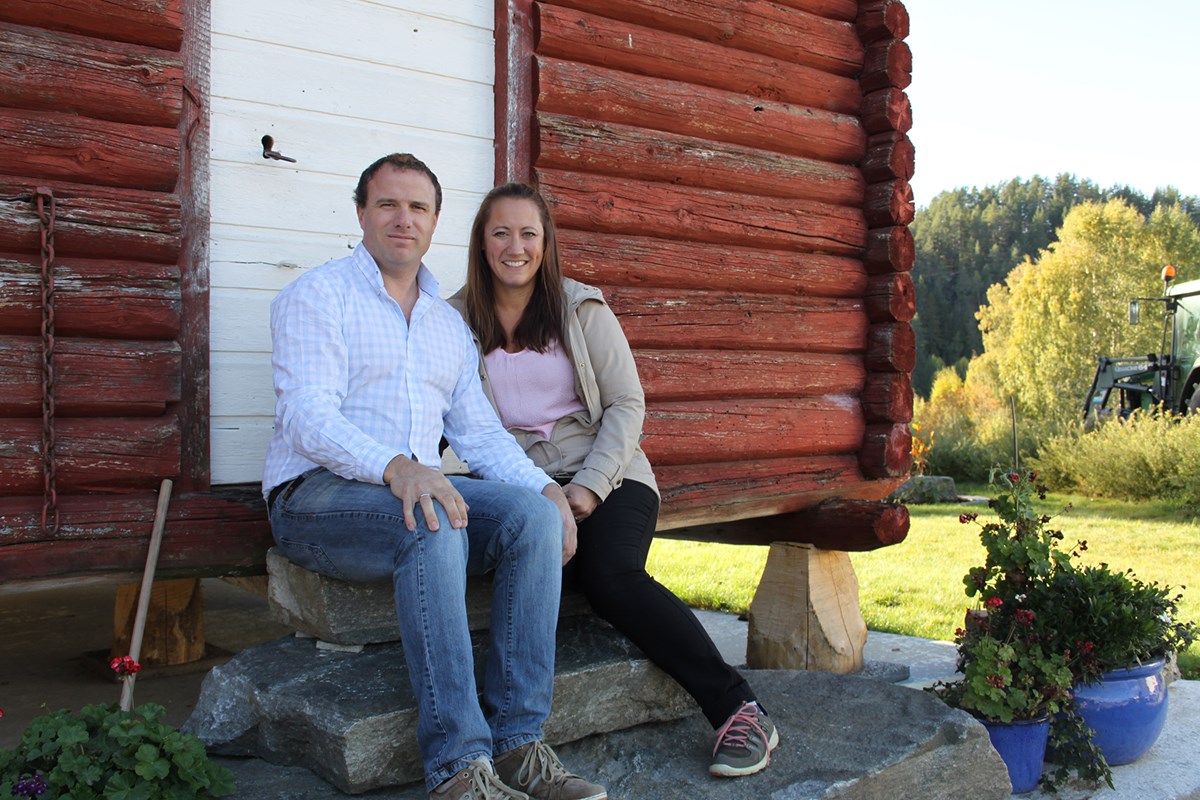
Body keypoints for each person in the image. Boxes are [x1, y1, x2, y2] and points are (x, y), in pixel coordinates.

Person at [262, 154, 607, 800]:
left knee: (530, 518)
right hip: (315, 495)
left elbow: (479, 435)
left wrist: (547, 491)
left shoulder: (448, 326)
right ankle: (456, 767)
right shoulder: (318, 295)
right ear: (361, 212)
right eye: (388, 204)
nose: (403, 219)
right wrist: (397, 467)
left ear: (436, 221)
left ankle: (519, 746)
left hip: (411, 489)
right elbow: (307, 416)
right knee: (434, 521)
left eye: (418, 207)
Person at [450, 182, 781, 778]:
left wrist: (588, 488)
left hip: (612, 473)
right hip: (520, 485)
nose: (515, 246)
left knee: (607, 576)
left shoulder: (580, 307)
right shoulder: (453, 321)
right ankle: (505, 746)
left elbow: (627, 404)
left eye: (529, 233)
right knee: (526, 569)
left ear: (546, 244)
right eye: (501, 232)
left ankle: (739, 709)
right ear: (481, 242)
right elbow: (445, 416)